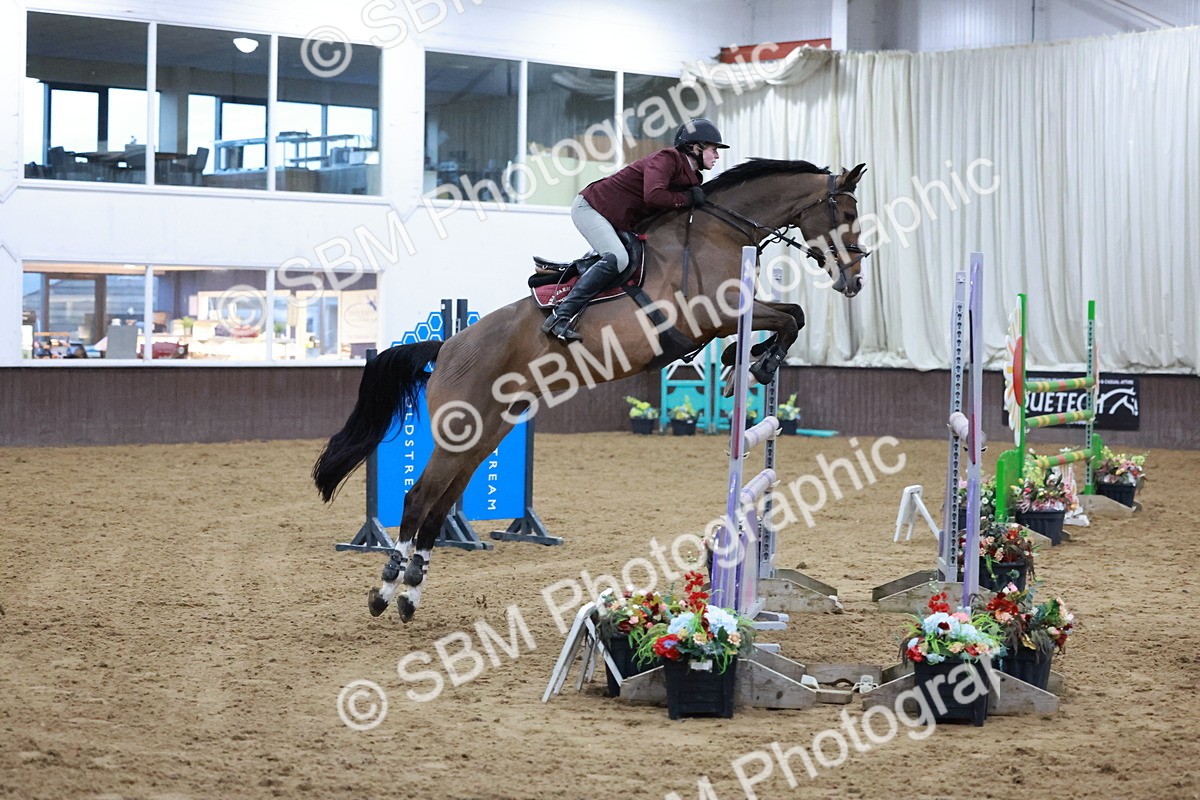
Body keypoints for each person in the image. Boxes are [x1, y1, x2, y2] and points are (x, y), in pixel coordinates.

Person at [540, 118, 729, 343]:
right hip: (591, 208)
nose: (717, 155)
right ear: (695, 147)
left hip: (619, 220)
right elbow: (654, 195)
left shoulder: (694, 177)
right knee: (618, 258)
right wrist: (687, 198)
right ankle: (560, 317)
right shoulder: (666, 159)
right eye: (713, 149)